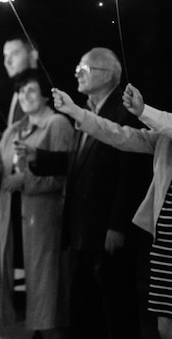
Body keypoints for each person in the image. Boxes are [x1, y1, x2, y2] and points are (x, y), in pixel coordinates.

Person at [17, 48, 152, 339]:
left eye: (85, 69)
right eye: (78, 67)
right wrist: (39, 157)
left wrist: (118, 225)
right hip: (82, 230)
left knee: (116, 309)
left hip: (107, 231)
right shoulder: (88, 110)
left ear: (108, 76)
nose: (77, 73)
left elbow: (131, 173)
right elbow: (78, 163)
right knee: (84, 311)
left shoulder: (124, 110)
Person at [0, 69, 74, 338]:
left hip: (44, 224)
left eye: (31, 90)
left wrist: (24, 181)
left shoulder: (57, 124)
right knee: (29, 295)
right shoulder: (14, 130)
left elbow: (65, 176)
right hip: (15, 223)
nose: (25, 96)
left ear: (44, 94)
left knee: (49, 300)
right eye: (20, 91)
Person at [48, 83, 172, 339]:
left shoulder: (165, 125)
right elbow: (119, 134)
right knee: (165, 327)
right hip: (165, 243)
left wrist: (142, 110)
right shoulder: (163, 134)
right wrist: (75, 112)